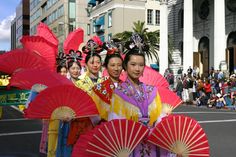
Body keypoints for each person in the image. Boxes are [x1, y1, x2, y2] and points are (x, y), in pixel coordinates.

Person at [109, 33, 174, 156]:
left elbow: (158, 119)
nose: (137, 69)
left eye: (141, 65)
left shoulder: (152, 91)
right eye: (133, 65)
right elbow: (115, 125)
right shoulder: (118, 93)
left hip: (152, 143)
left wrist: (164, 119)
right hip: (129, 145)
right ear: (125, 66)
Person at [92, 41, 124, 120]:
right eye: (112, 65)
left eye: (119, 65)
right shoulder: (99, 89)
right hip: (106, 129)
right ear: (106, 66)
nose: (116, 69)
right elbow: (94, 117)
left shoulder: (128, 88)